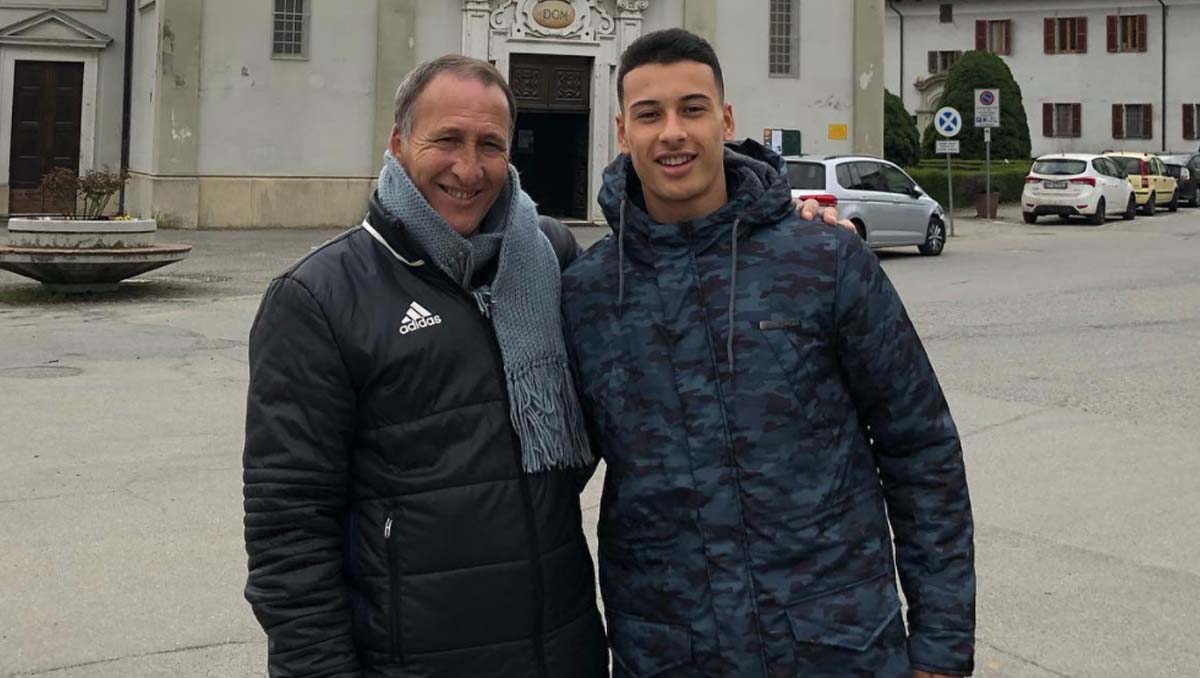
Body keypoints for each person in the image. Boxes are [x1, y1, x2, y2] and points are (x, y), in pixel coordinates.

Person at [560, 29, 976, 678]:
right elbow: (547, 486)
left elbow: (919, 448)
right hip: (671, 655)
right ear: (621, 131)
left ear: (725, 119)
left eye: (692, 109)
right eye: (649, 114)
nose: (672, 131)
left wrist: (943, 648)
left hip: (838, 648)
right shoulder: (586, 296)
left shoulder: (825, 260)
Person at [241, 55, 609, 678]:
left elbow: (655, 299)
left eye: (490, 144)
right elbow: (289, 532)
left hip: (562, 649)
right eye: (447, 140)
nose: (469, 168)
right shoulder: (319, 297)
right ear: (398, 142)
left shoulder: (550, 257)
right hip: (411, 659)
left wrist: (779, 232)